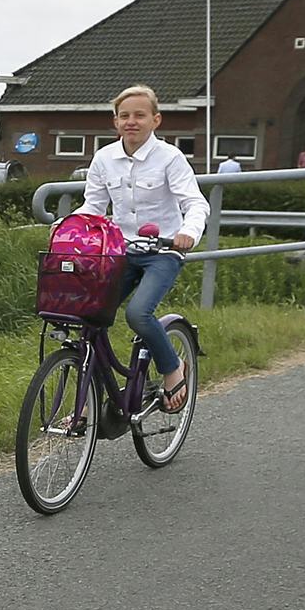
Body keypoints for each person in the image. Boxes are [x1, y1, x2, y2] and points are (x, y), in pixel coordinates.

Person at [74, 84, 206, 413]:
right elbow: (93, 206)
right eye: (124, 116)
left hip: (162, 251)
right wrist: (68, 227)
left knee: (138, 314)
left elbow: (195, 203)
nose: (131, 121)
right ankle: (90, 399)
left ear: (155, 120)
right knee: (90, 315)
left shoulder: (170, 158)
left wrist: (187, 232)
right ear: (115, 122)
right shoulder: (104, 158)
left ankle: (173, 367)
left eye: (140, 115)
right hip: (121, 251)